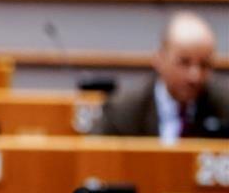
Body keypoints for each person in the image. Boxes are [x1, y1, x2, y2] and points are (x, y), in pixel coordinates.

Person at [93, 11, 228, 139]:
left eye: (204, 65)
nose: (194, 76)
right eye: (184, 63)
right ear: (159, 59)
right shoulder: (123, 110)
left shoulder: (224, 108)